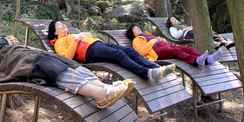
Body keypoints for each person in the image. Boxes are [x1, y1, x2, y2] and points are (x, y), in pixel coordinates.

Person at [0, 15, 134, 110]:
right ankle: (100, 95)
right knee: (53, 69)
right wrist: (2, 42)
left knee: (67, 63)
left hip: (25, 57)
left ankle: (104, 88)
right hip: (20, 65)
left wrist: (8, 43)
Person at [47, 20, 176, 82]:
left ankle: (155, 68)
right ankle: (146, 73)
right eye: (58, 24)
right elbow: (66, 57)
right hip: (90, 52)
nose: (62, 24)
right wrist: (78, 38)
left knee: (129, 51)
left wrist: (85, 36)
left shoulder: (70, 35)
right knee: (118, 55)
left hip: (97, 45)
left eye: (62, 23)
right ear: (54, 31)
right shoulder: (58, 42)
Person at [125, 24, 223, 67]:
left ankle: (208, 59)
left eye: (138, 27)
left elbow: (162, 41)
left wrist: (160, 39)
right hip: (157, 52)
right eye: (135, 28)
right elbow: (141, 52)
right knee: (177, 52)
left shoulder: (147, 36)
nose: (138, 28)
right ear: (132, 33)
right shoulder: (136, 40)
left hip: (165, 46)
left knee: (188, 48)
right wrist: (154, 41)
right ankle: (196, 61)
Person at [166, 17, 234, 49]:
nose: (175, 19)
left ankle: (225, 42)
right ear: (170, 23)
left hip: (194, 30)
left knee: (211, 32)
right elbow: (175, 36)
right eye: (172, 19)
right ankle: (215, 44)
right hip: (187, 34)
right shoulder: (172, 28)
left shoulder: (182, 25)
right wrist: (184, 29)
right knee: (199, 35)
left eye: (175, 18)